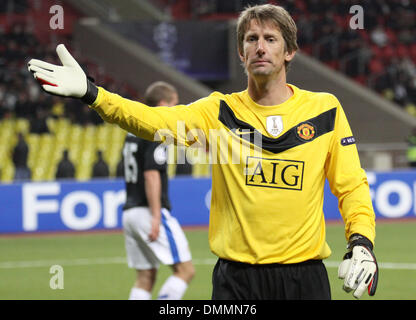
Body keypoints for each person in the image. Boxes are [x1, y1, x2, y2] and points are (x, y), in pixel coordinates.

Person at [28, 4, 378, 300]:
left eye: (271, 39)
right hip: (236, 281)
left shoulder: (324, 110)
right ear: (240, 53)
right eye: (251, 39)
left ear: (289, 51)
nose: (260, 47)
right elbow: (152, 120)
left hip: (304, 279)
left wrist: (361, 241)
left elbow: (351, 185)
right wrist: (94, 94)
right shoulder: (218, 112)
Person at [120, 81, 194, 300]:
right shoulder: (157, 128)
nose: (177, 110)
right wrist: (155, 216)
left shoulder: (133, 130)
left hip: (130, 212)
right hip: (148, 211)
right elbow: (151, 174)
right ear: (162, 104)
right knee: (185, 271)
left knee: (146, 276)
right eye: (174, 104)